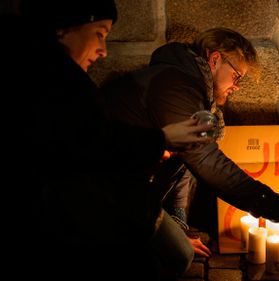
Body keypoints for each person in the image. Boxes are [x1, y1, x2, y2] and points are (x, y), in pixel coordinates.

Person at [1, 0, 214, 279]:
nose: (104, 51)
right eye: (99, 33)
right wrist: (160, 139)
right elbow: (91, 146)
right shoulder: (51, 85)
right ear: (64, 28)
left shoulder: (53, 77)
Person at [98, 27, 279, 272]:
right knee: (166, 259)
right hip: (101, 195)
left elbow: (184, 166)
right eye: (237, 76)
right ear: (215, 60)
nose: (236, 86)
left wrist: (178, 225)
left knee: (177, 253)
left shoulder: (191, 92)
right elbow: (207, 161)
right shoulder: (176, 86)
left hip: (131, 192)